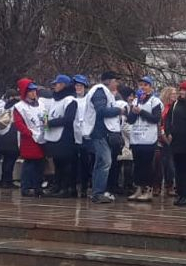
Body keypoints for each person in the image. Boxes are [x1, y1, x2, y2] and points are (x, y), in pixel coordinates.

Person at [73, 71, 125, 203]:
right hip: (99, 132)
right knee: (105, 162)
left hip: (99, 132)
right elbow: (101, 111)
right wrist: (118, 111)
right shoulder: (100, 91)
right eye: (115, 80)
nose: (116, 83)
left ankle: (97, 191)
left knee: (100, 163)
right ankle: (98, 193)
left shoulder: (102, 92)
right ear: (108, 81)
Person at [125, 77, 163, 202]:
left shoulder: (154, 101)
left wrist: (141, 112)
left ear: (150, 87)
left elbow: (155, 118)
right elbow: (130, 120)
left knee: (147, 165)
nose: (143, 87)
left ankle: (148, 189)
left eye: (146, 85)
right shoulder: (136, 101)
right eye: (141, 85)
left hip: (148, 138)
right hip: (136, 138)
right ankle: (138, 188)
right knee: (137, 165)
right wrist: (134, 111)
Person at [43, 75, 80, 197]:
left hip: (65, 136)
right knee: (57, 162)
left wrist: (51, 123)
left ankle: (66, 188)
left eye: (57, 84)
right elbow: (47, 114)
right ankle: (57, 186)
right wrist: (45, 123)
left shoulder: (70, 100)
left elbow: (69, 119)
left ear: (63, 85)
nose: (55, 87)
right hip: (53, 136)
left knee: (66, 163)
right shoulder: (54, 100)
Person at [13, 80, 47, 196]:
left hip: (42, 137)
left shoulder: (41, 104)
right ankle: (26, 188)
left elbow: (45, 116)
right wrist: (29, 133)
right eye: (30, 91)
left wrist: (46, 130)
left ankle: (38, 187)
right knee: (29, 164)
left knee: (40, 164)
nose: (34, 93)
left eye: (34, 91)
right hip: (29, 139)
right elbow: (18, 123)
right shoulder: (19, 107)